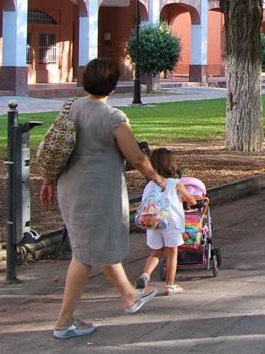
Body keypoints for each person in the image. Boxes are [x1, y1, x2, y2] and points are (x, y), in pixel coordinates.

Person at [40, 58, 169, 340]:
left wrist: (48, 179)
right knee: (85, 255)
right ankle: (63, 322)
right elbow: (136, 157)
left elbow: (56, 146)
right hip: (96, 193)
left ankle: (128, 296)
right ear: (112, 85)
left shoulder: (71, 107)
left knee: (91, 246)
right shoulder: (113, 118)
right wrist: (159, 179)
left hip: (69, 188)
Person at [135, 147, 197, 295]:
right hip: (171, 223)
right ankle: (170, 285)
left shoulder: (149, 185)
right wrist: (184, 200)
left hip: (153, 222)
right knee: (172, 253)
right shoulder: (175, 183)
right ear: (171, 165)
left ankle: (145, 275)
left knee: (156, 251)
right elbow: (192, 200)